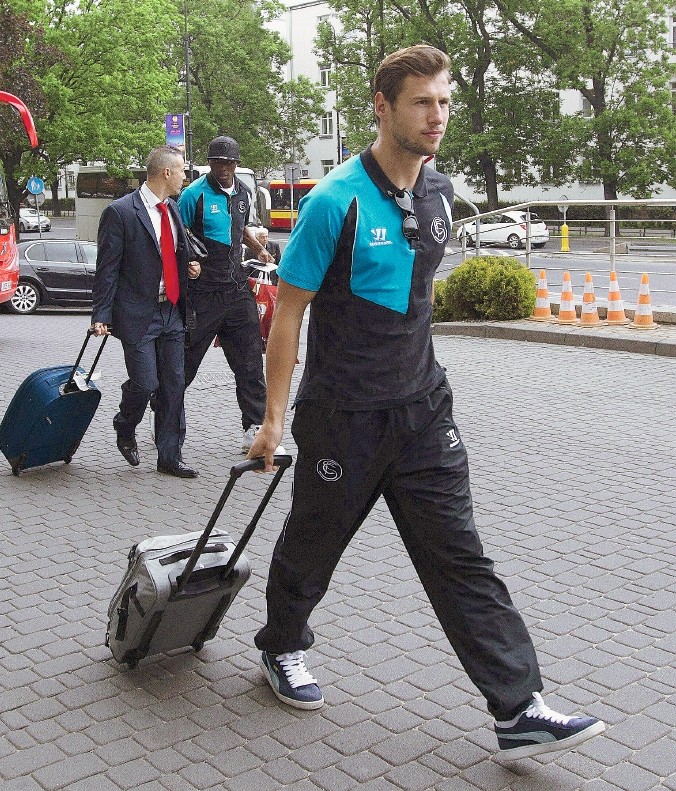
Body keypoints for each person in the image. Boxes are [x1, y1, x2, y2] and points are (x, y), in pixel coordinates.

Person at [246, 45, 606, 759]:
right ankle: (281, 645)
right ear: (382, 108)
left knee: (461, 556)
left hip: (421, 414)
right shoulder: (334, 201)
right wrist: (273, 420)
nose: (437, 115)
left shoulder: (440, 194)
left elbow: (411, 299)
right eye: (422, 102)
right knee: (313, 546)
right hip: (343, 419)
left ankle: (519, 706)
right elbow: (287, 314)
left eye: (443, 102)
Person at [92, 145, 201, 478]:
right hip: (138, 313)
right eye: (182, 170)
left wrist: (188, 268)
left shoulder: (173, 210)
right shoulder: (121, 212)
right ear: (166, 173)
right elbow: (107, 268)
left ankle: (170, 456)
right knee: (145, 381)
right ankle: (125, 424)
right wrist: (101, 315)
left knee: (173, 384)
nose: (186, 176)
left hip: (171, 310)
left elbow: (170, 254)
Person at [177, 136, 271, 454]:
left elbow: (241, 227)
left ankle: (254, 426)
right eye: (217, 163)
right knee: (186, 362)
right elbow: (178, 232)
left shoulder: (243, 194)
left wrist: (260, 250)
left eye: (229, 163)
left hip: (236, 289)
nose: (223, 168)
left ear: (236, 164)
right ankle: (162, 411)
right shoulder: (194, 195)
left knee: (249, 363)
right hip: (203, 292)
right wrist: (188, 263)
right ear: (210, 164)